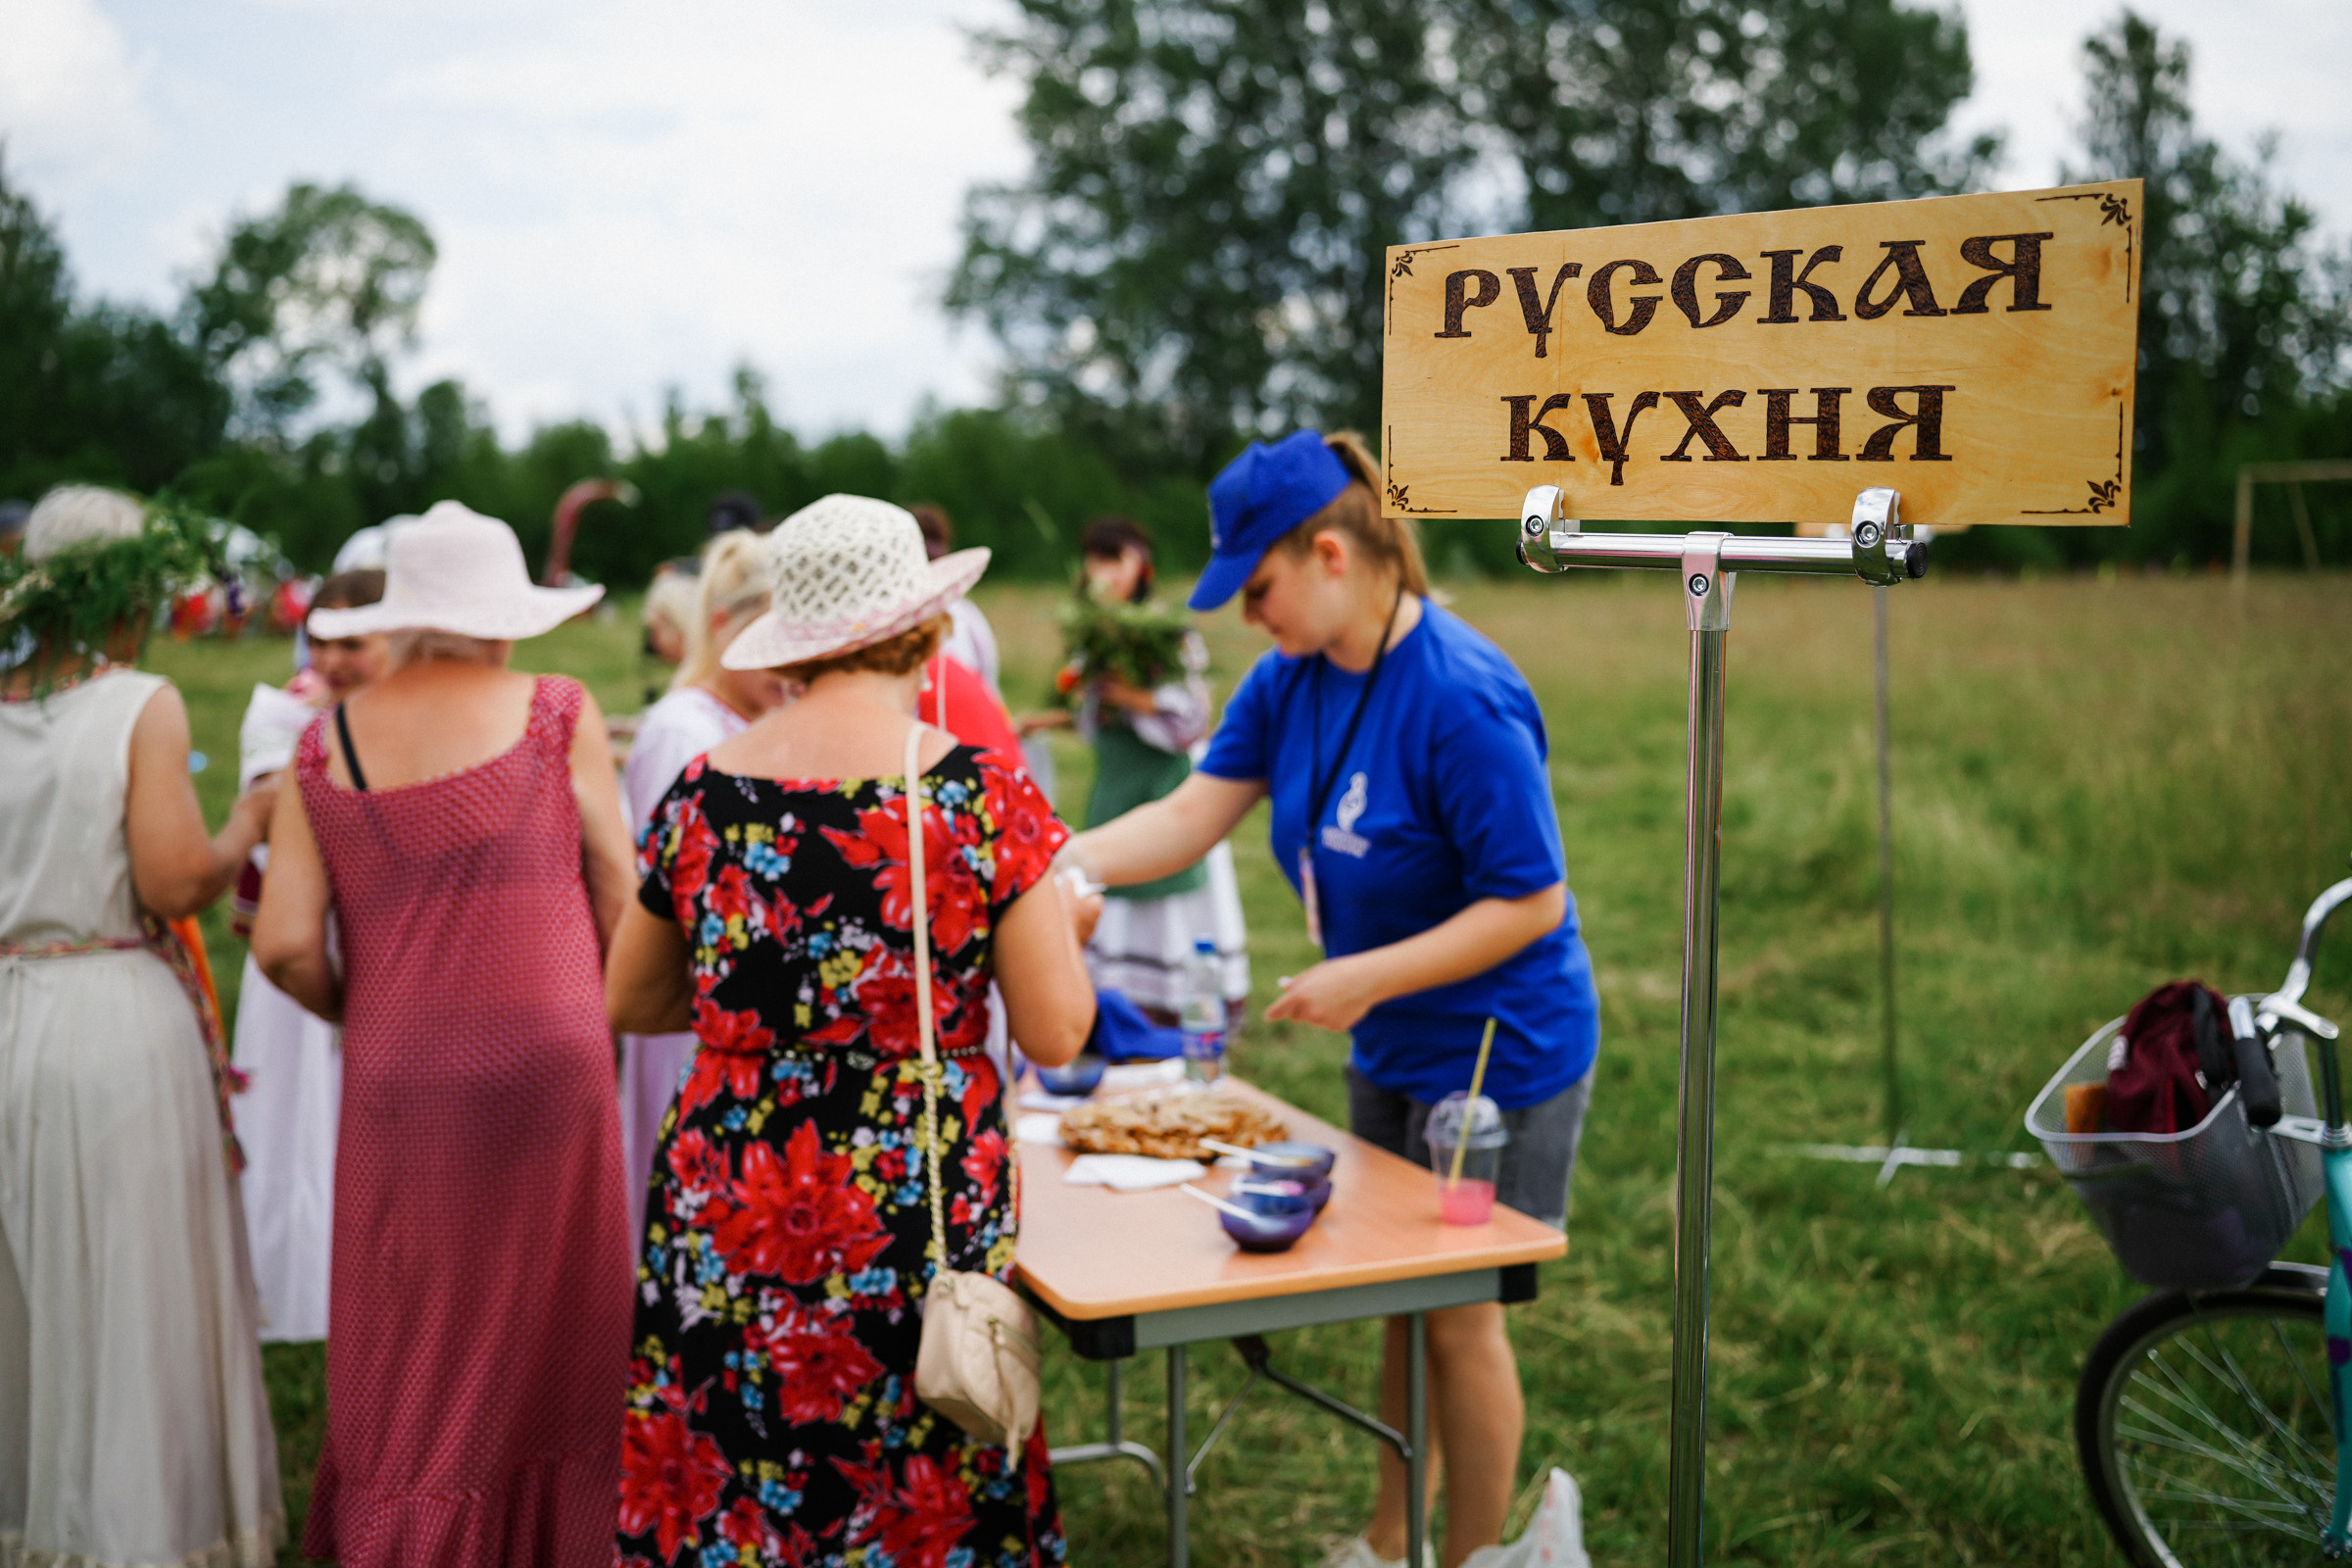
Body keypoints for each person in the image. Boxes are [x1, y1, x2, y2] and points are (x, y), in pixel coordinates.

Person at [1054, 431, 1600, 1568]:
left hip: (1498, 1053)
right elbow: (1191, 814)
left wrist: (1368, 974)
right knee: (1403, 1302)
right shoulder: (1287, 678)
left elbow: (1532, 901)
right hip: (1391, 1045)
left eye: (1258, 588)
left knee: (1460, 1311)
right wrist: (1051, 860)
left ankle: (1477, 1557)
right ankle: (1392, 1542)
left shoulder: (1462, 696)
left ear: (1332, 554)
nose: (1249, 616)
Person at [606, 494, 1099, 1565]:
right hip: (910, 1190)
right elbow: (1058, 1031)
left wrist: (768, 1009)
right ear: (926, 628)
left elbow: (632, 999)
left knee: (739, 1464)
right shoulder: (978, 795)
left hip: (732, 1186)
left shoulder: (703, 792)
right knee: (917, 1477)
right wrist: (1058, 933)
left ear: (791, 640)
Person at [251, 500, 639, 1565]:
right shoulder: (557, 710)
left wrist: (364, 1008)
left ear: (403, 618)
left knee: (413, 1325)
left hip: (403, 1071)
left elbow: (281, 944)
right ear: (505, 619)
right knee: (558, 1326)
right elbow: (619, 891)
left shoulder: (324, 744)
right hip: (555, 1060)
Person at [1, 484, 285, 1566]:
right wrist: (247, 823)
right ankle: (138, 1533)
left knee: (29, 1286)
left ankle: (38, 1523)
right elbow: (172, 883)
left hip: (10, 1007)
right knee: (130, 1289)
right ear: (124, 591)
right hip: (110, 1013)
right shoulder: (140, 703)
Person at [227, 567, 393, 1343]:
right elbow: (281, 818)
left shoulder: (413, 720)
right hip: (305, 945)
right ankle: (299, 1282)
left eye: (353, 644)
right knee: (297, 1111)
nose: (331, 661)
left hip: (387, 940)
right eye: (320, 642)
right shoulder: (283, 715)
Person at [617, 530, 790, 1236]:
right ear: (722, 626)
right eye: (768, 636)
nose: (785, 659)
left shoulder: (750, 717)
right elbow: (679, 890)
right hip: (693, 1007)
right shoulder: (682, 730)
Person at [1026, 514, 1250, 1019]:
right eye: (1097, 560)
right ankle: (1119, 1007)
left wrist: (1131, 696)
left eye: (1116, 559)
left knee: (1164, 884)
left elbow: (1192, 719)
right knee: (1112, 875)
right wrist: (1053, 715)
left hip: (1162, 782)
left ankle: (1173, 1006)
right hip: (1116, 779)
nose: (1104, 572)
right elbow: (1090, 713)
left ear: (1140, 565)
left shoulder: (1165, 633)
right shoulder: (1092, 636)